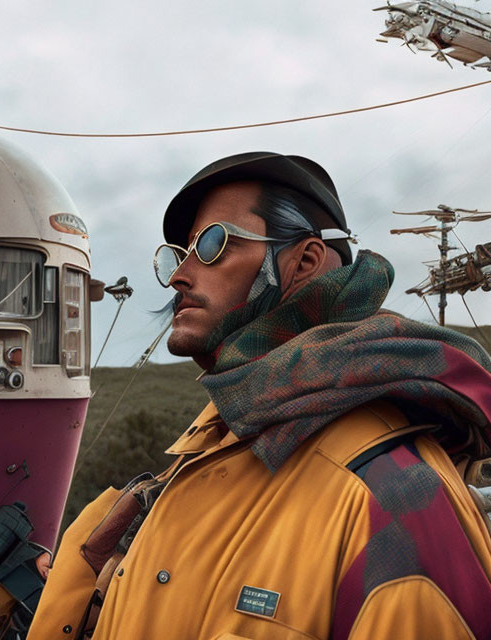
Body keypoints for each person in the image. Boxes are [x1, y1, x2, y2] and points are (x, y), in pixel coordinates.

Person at [27, 152, 491, 640]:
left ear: (305, 261)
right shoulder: (198, 462)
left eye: (212, 245)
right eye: (178, 255)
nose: (179, 276)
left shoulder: (392, 500)